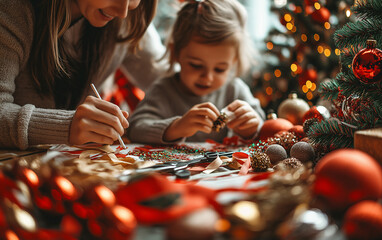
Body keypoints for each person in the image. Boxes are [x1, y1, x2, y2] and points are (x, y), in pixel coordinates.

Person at [0, 0, 166, 150]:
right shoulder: (12, 10)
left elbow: (169, 80)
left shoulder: (129, 18)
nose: (123, 12)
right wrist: (66, 126)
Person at [128, 0, 265, 144]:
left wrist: (251, 130)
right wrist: (176, 127)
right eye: (196, 65)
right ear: (176, 53)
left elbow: (263, 129)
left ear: (234, 61)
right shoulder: (163, 90)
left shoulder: (235, 90)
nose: (208, 78)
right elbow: (135, 129)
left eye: (220, 69)